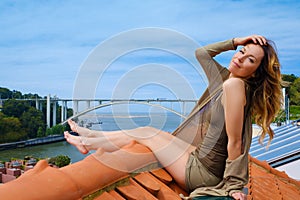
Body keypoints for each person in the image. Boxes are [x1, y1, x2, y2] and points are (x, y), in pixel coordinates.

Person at [64, 35, 282, 200]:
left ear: (254, 72)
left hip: (204, 173)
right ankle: (91, 136)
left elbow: (236, 141)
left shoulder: (235, 86)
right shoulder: (224, 79)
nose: (240, 57)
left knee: (147, 133)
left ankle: (88, 141)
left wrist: (233, 184)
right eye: (241, 51)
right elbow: (201, 53)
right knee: (151, 132)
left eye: (250, 59)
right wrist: (235, 41)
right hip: (201, 158)